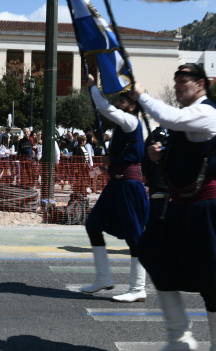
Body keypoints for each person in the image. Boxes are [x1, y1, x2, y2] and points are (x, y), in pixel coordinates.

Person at [133, 63, 216, 351]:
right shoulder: (189, 117)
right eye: (176, 80)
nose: (178, 85)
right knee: (156, 259)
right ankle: (180, 338)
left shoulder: (206, 112)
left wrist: (142, 96)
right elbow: (184, 155)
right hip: (180, 206)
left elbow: (173, 117)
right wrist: (159, 155)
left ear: (200, 84)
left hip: (207, 207)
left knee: (210, 282)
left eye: (184, 80)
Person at [81, 75, 150, 303]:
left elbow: (104, 108)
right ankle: (104, 277)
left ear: (132, 107)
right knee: (93, 225)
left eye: (122, 100)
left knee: (135, 237)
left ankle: (138, 288)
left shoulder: (130, 121)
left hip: (129, 185)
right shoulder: (123, 126)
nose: (117, 103)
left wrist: (93, 87)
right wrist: (111, 161)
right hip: (117, 183)